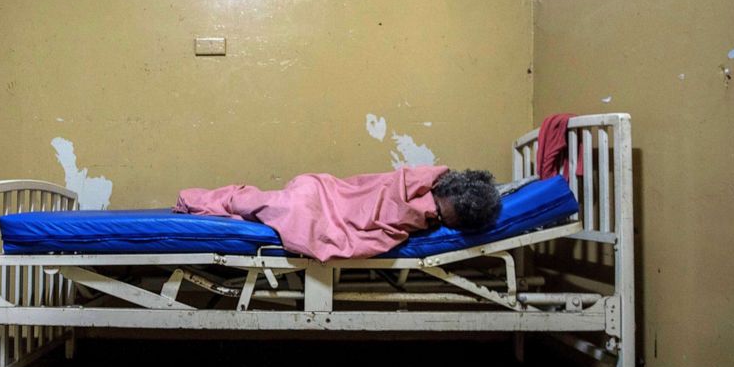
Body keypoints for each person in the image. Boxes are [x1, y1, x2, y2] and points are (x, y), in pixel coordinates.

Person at [175, 166, 502, 262]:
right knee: (269, 205)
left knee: (265, 206)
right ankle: (213, 202)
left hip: (318, 194)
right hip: (320, 197)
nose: (437, 220)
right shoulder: (422, 186)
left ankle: (219, 203)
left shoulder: (429, 196)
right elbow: (375, 199)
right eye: (445, 218)